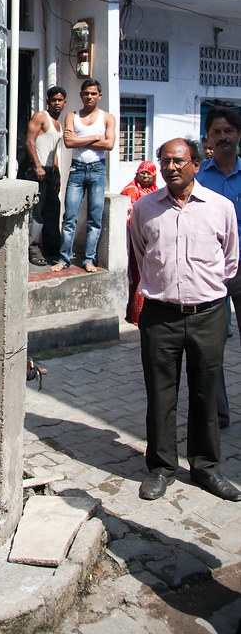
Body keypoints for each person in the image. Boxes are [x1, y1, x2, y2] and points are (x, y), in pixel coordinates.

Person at [130, 137, 241, 502]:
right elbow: (141, 255)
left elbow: (230, 261)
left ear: (196, 164)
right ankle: (161, 467)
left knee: (205, 393)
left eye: (179, 161)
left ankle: (206, 468)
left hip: (208, 314)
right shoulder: (145, 209)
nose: (171, 167)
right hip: (160, 316)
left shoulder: (220, 208)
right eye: (165, 161)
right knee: (160, 395)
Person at [198, 107, 241, 427]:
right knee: (211, 346)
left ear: (238, 135)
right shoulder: (199, 180)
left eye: (229, 131)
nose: (223, 137)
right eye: (217, 132)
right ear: (209, 139)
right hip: (212, 273)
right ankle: (218, 413)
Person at [50, 78, 116, 273]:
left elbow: (110, 145)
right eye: (86, 93)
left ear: (99, 96)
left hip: (97, 169)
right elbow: (69, 143)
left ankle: (88, 259)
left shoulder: (107, 118)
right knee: (69, 216)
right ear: (81, 95)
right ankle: (64, 259)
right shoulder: (72, 116)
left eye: (93, 93)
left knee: (94, 218)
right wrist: (96, 137)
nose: (89, 97)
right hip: (77, 170)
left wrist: (80, 140)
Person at [25, 86, 66, 265]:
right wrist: (37, 166)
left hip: (50, 171)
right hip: (37, 170)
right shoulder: (41, 116)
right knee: (37, 210)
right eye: (54, 100)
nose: (57, 103)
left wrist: (56, 172)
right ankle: (32, 247)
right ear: (48, 101)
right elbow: (29, 141)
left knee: (53, 209)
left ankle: (51, 248)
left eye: (60, 100)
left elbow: (53, 150)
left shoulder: (59, 124)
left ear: (64, 102)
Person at [120, 161, 158, 325]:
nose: (145, 176)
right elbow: (130, 214)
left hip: (152, 241)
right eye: (142, 173)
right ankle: (137, 315)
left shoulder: (156, 192)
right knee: (140, 277)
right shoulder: (131, 190)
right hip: (138, 240)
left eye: (149, 173)